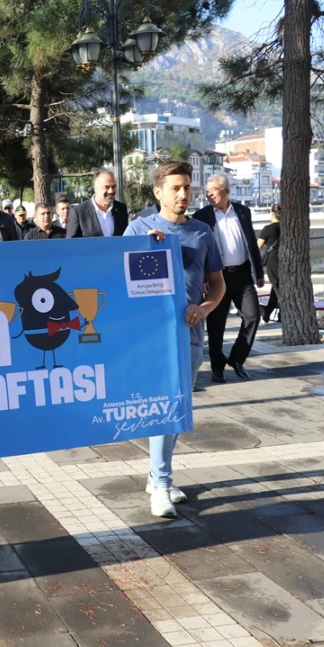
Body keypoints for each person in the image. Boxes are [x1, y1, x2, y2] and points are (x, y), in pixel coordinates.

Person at [124, 162, 225, 519]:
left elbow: (218, 283)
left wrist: (204, 307)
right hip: (154, 337)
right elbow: (120, 279)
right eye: (176, 188)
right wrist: (145, 250)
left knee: (178, 409)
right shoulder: (139, 229)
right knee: (163, 408)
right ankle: (162, 483)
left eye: (187, 187)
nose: (183, 195)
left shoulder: (201, 232)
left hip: (191, 333)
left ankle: (156, 475)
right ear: (158, 193)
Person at [193, 174, 264, 382]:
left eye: (212, 191)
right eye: (207, 192)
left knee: (252, 317)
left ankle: (236, 359)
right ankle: (217, 368)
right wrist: (204, 276)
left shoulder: (243, 212)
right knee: (216, 326)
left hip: (242, 275)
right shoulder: (201, 216)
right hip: (217, 277)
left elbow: (251, 242)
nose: (208, 195)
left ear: (226, 190)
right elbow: (200, 249)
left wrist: (258, 272)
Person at [67, 171, 129, 238]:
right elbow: (70, 244)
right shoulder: (79, 212)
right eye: (107, 187)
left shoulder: (121, 209)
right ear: (95, 188)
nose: (111, 191)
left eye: (114, 186)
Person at [258, 203, 281, 323]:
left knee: (277, 288)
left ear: (273, 213)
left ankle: (282, 315)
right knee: (276, 289)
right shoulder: (287, 227)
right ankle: (267, 314)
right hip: (285, 261)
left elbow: (257, 247)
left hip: (273, 262)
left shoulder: (268, 229)